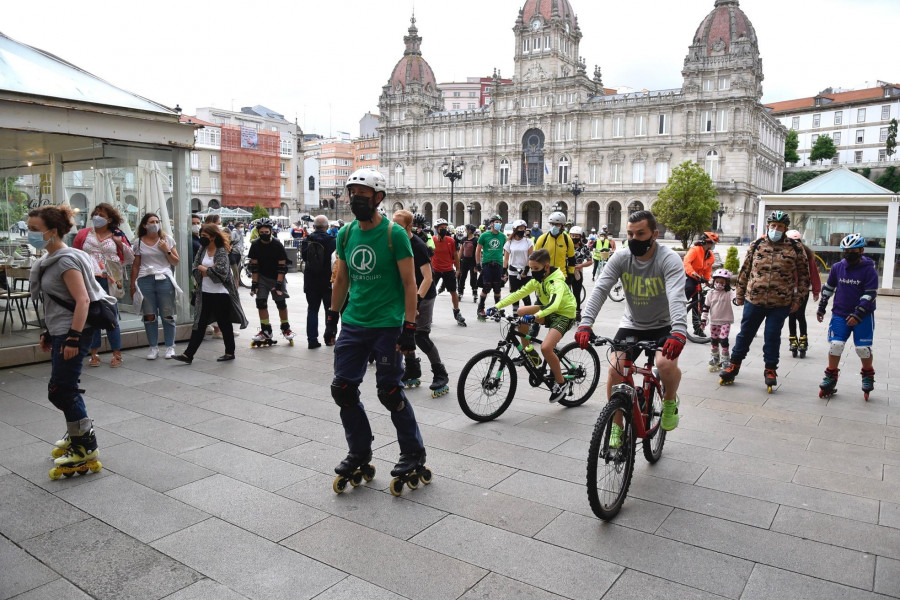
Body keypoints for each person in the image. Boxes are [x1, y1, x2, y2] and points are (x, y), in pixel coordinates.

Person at [326, 168, 428, 491]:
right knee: (342, 389)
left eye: (363, 196)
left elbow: (411, 284)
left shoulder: (394, 235)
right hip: (354, 322)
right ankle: (359, 450)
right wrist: (332, 316)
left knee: (390, 392)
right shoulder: (345, 235)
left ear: (378, 198)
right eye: (352, 194)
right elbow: (342, 278)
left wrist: (409, 327)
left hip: (387, 324)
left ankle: (413, 452)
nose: (355, 200)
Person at [575, 210, 688, 446]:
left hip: (664, 325)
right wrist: (586, 323)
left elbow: (677, 295)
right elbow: (601, 289)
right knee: (616, 371)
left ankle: (669, 400)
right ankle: (616, 427)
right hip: (633, 323)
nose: (634, 238)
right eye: (630, 233)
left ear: (654, 234)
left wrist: (678, 331)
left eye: (640, 233)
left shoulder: (668, 259)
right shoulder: (621, 258)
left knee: (664, 364)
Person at [27, 205, 111, 477]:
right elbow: (55, 302)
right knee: (63, 388)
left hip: (74, 332)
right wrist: (48, 332)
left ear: (52, 232)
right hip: (61, 330)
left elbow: (82, 300)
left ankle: (85, 444)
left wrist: (73, 338)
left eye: (34, 230)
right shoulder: (49, 259)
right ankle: (77, 434)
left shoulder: (64, 260)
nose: (30, 234)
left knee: (62, 390)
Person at [719, 211, 810, 389]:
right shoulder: (757, 244)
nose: (776, 229)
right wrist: (739, 293)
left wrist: (798, 299)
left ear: (785, 229)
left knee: (772, 336)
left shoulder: (795, 248)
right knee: (745, 334)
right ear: (768, 226)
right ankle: (734, 364)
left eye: (780, 226)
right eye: (773, 225)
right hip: (754, 299)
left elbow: (804, 276)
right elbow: (745, 270)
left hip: (781, 302)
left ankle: (770, 368)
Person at [489, 248, 578, 403]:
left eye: (536, 268)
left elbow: (555, 305)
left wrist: (535, 316)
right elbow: (518, 293)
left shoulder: (556, 282)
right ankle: (528, 352)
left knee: (546, 348)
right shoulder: (538, 280)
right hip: (548, 310)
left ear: (547, 267)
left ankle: (561, 383)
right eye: (531, 268)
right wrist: (497, 306)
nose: (533, 272)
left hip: (564, 314)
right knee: (522, 311)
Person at [172, 224, 248, 363]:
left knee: (224, 324)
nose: (202, 239)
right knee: (199, 324)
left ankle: (230, 352)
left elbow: (222, 274)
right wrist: (206, 270)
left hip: (221, 294)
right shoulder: (202, 249)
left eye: (205, 236)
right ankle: (188, 355)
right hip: (204, 293)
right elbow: (195, 268)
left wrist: (204, 270)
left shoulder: (221, 251)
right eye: (201, 236)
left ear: (213, 237)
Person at [394, 211, 450, 397]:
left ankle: (440, 373)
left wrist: (416, 301)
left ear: (409, 227)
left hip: (423, 295)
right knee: (404, 333)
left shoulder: (417, 245)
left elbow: (428, 278)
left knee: (421, 336)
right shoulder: (394, 241)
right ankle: (412, 369)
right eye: (392, 224)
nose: (393, 228)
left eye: (398, 225)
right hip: (405, 294)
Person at [816, 234, 879, 398]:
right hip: (840, 313)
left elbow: (870, 294)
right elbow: (829, 288)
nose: (849, 253)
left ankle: (867, 375)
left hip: (863, 316)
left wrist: (858, 314)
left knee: (862, 349)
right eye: (846, 250)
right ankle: (830, 377)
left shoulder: (869, 269)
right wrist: (822, 307)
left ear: (861, 250)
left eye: (853, 250)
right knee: (835, 345)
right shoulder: (838, 267)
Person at [72, 202, 132, 368]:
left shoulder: (117, 234)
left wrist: (119, 243)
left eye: (102, 215)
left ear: (110, 219)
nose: (97, 217)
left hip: (109, 279)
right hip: (88, 279)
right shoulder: (84, 234)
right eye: (96, 213)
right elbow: (75, 255)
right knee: (93, 316)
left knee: (110, 315)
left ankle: (117, 353)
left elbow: (129, 257)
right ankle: (94, 353)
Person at [130, 213, 181, 360]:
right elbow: (136, 265)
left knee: (167, 313)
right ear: (144, 225)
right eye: (151, 221)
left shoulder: (167, 240)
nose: (155, 224)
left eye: (157, 221)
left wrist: (166, 249)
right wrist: (133, 285)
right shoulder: (138, 242)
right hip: (145, 279)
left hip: (163, 278)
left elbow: (176, 262)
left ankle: (170, 346)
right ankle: (153, 347)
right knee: (149, 315)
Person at [247, 218, 294, 345]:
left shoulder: (277, 245)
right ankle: (265, 330)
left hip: (276, 277)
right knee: (261, 303)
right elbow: (255, 267)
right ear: (257, 232)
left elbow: (282, 267)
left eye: (266, 232)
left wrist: (279, 285)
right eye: (261, 232)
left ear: (271, 231)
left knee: (281, 303)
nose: (264, 234)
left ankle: (286, 328)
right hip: (262, 277)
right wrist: (254, 284)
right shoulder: (255, 244)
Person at [301, 215, 335, 349]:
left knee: (312, 310)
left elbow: (305, 258)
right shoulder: (333, 241)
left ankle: (312, 340)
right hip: (327, 280)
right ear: (327, 227)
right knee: (329, 310)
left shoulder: (306, 240)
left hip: (311, 281)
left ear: (314, 227)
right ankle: (329, 338)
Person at [786, 229, 822, 358]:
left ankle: (803, 339)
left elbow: (813, 273)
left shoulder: (807, 254)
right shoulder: (784, 253)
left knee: (800, 315)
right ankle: (792, 339)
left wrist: (816, 290)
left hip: (802, 290)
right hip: (789, 290)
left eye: (797, 241)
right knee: (791, 315)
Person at [683, 231, 718, 337]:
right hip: (688, 276)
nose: (713, 246)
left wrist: (708, 281)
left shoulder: (711, 256)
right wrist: (693, 273)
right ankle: (679, 306)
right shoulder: (695, 250)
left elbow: (708, 270)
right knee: (689, 288)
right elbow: (686, 263)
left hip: (699, 279)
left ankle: (697, 329)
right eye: (713, 243)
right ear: (706, 242)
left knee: (699, 302)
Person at [431, 218, 466, 326]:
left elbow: (455, 255)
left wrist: (458, 268)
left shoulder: (450, 241)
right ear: (436, 229)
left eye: (445, 228)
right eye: (441, 228)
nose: (444, 230)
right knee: (430, 294)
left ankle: (457, 312)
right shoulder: (431, 240)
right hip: (435, 270)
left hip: (448, 269)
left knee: (453, 292)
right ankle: (427, 314)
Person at [700, 269, 735, 371]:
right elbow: (706, 307)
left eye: (722, 282)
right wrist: (703, 320)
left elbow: (735, 298)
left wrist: (737, 300)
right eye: (717, 282)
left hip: (726, 320)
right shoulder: (710, 293)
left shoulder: (728, 292)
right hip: (714, 321)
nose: (719, 284)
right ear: (714, 282)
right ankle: (715, 358)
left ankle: (725, 360)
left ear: (726, 283)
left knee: (724, 340)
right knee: (714, 340)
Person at [475, 214, 507, 321]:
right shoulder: (484, 235)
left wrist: (505, 268)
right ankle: (480, 308)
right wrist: (478, 264)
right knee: (487, 287)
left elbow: (506, 251)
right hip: (487, 264)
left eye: (499, 222)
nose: (498, 224)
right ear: (491, 223)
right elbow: (478, 250)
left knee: (497, 287)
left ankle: (497, 309)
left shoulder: (503, 236)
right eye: (496, 222)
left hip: (498, 264)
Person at [533, 212, 575, 289]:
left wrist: (570, 276)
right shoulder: (542, 239)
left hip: (561, 276)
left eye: (557, 224)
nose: (554, 227)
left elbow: (571, 259)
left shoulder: (567, 239)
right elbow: (534, 258)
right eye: (552, 224)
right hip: (545, 275)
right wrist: (536, 274)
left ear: (562, 226)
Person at [503, 219, 534, 312]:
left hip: (526, 271)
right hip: (513, 271)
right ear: (515, 229)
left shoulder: (528, 242)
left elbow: (530, 257)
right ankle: (515, 316)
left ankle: (528, 315)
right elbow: (506, 258)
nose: (522, 230)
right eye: (520, 228)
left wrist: (526, 269)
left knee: (525, 294)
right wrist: (504, 271)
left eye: (523, 228)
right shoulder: (509, 242)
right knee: (514, 294)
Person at [569, 226, 593, 321]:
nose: (574, 237)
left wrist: (580, 266)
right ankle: (566, 312)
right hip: (565, 272)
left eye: (576, 236)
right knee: (565, 293)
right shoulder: (566, 246)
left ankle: (577, 313)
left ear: (580, 237)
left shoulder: (584, 248)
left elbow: (590, 261)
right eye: (572, 235)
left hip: (577, 273)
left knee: (576, 293)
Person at [457, 224, 480, 303]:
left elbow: (478, 252)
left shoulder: (476, 240)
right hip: (464, 261)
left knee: (473, 278)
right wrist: (457, 262)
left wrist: (478, 264)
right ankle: (460, 292)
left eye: (466, 229)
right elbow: (461, 251)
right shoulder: (463, 239)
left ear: (470, 230)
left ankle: (474, 292)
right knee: (462, 277)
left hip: (473, 262)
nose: (465, 230)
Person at [230, 221, 246, 287]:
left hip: (239, 252)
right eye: (241, 226)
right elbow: (231, 241)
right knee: (235, 269)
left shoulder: (241, 233)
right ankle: (235, 283)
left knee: (238, 268)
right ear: (237, 227)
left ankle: (237, 282)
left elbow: (241, 242)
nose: (242, 228)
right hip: (234, 252)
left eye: (243, 226)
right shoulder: (234, 232)